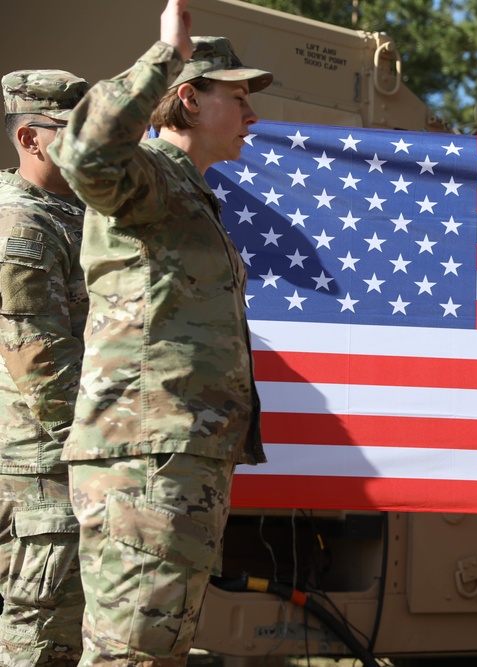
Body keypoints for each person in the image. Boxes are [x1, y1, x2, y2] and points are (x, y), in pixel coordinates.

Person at [47, 0, 270, 663]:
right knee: (133, 652)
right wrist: (164, 56)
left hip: (177, 457)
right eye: (238, 96)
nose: (252, 115)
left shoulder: (188, 194)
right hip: (146, 456)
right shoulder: (147, 177)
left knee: (157, 647)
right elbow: (83, 152)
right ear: (190, 100)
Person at [0, 68, 89, 665]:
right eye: (72, 129)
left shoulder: (72, 212)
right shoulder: (23, 223)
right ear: (29, 138)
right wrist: (101, 455)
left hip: (58, 467)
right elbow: (41, 359)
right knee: (42, 638)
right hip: (45, 469)